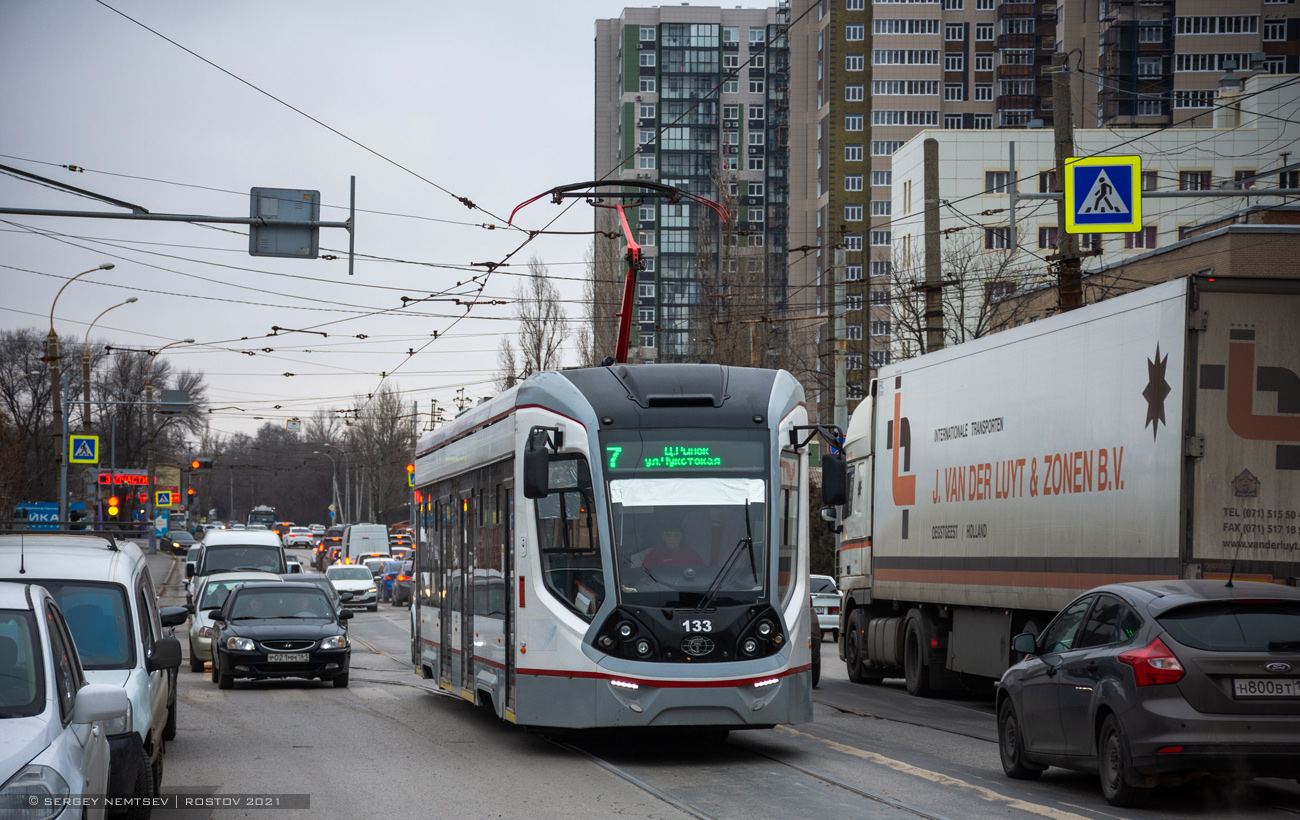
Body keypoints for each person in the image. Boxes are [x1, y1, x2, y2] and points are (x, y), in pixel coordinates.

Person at [639, 522, 705, 569]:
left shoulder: (692, 556)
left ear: (681, 536)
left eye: (676, 535)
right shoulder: (653, 556)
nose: (673, 539)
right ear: (663, 537)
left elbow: (703, 575)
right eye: (668, 535)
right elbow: (643, 576)